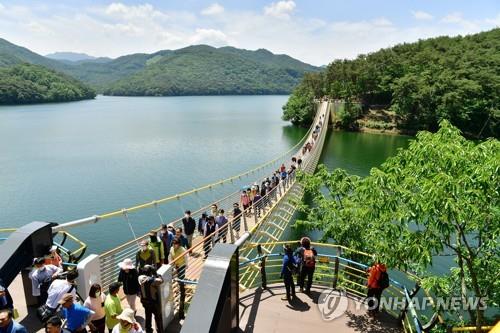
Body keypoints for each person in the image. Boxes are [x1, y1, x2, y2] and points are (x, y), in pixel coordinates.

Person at [138, 266, 163, 333]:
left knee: (148, 316)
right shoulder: (151, 280)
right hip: (152, 302)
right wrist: (157, 274)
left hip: (144, 302)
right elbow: (161, 281)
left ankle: (148, 330)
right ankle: (159, 330)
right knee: (157, 317)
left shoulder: (140, 278)